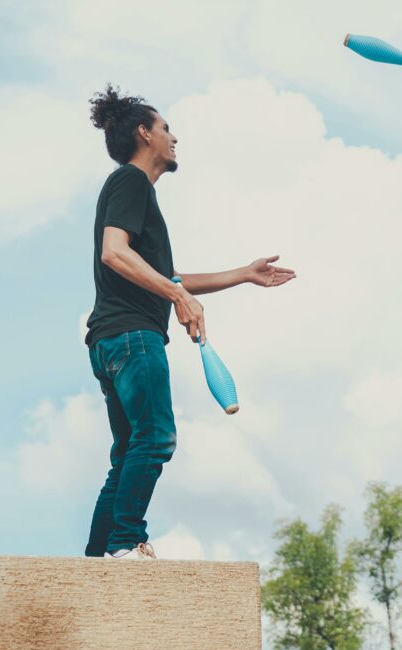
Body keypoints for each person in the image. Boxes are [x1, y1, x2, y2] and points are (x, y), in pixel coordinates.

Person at [83, 85, 296, 560]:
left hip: (112, 341)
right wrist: (176, 294)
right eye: (165, 128)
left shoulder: (134, 193)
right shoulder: (130, 182)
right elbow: (114, 253)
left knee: (128, 456)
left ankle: (97, 564)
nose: (174, 137)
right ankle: (125, 543)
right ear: (144, 133)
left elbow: (163, 276)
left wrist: (240, 274)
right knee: (156, 437)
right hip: (133, 338)